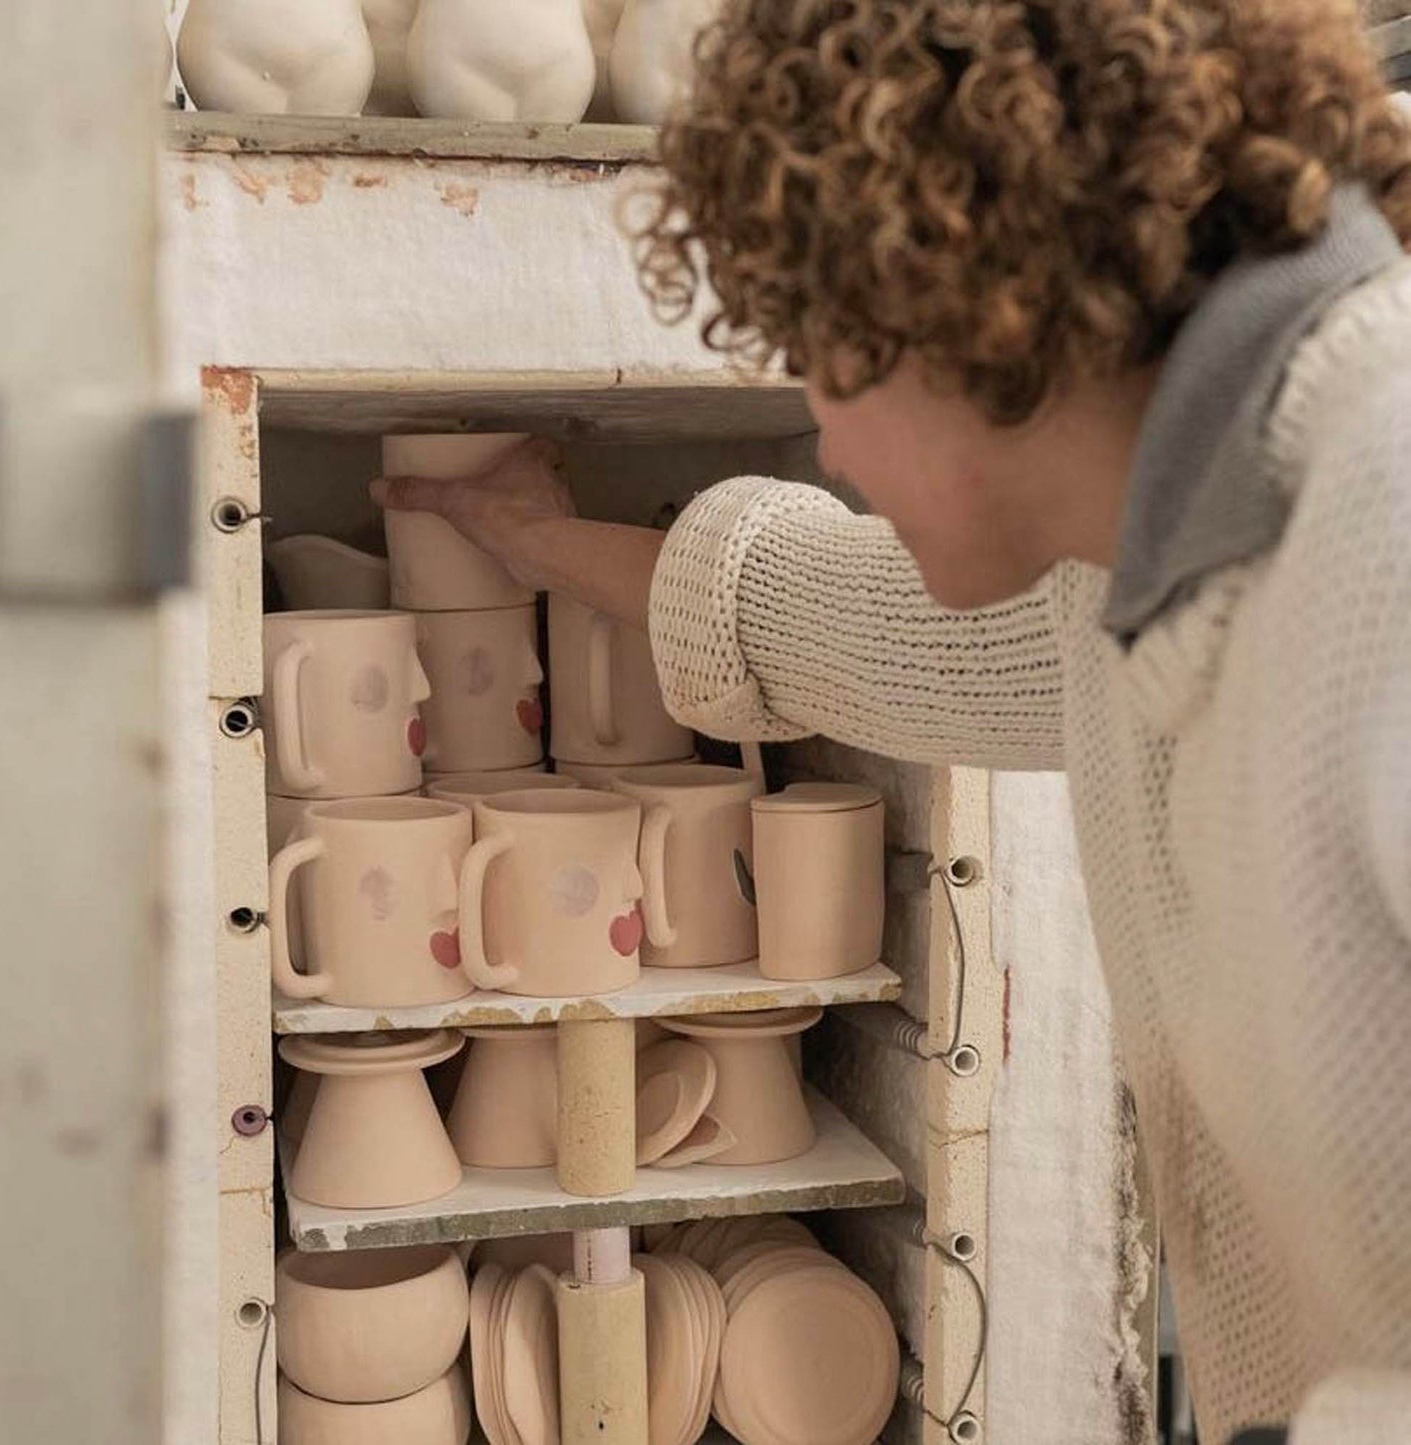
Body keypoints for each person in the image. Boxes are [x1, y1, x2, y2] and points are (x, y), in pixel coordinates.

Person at [372, 2, 1411, 1441]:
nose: (827, 433)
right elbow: (810, 610)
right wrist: (534, 543)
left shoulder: (1383, 512)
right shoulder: (1132, 571)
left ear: (960, 293)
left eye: (816, 349)